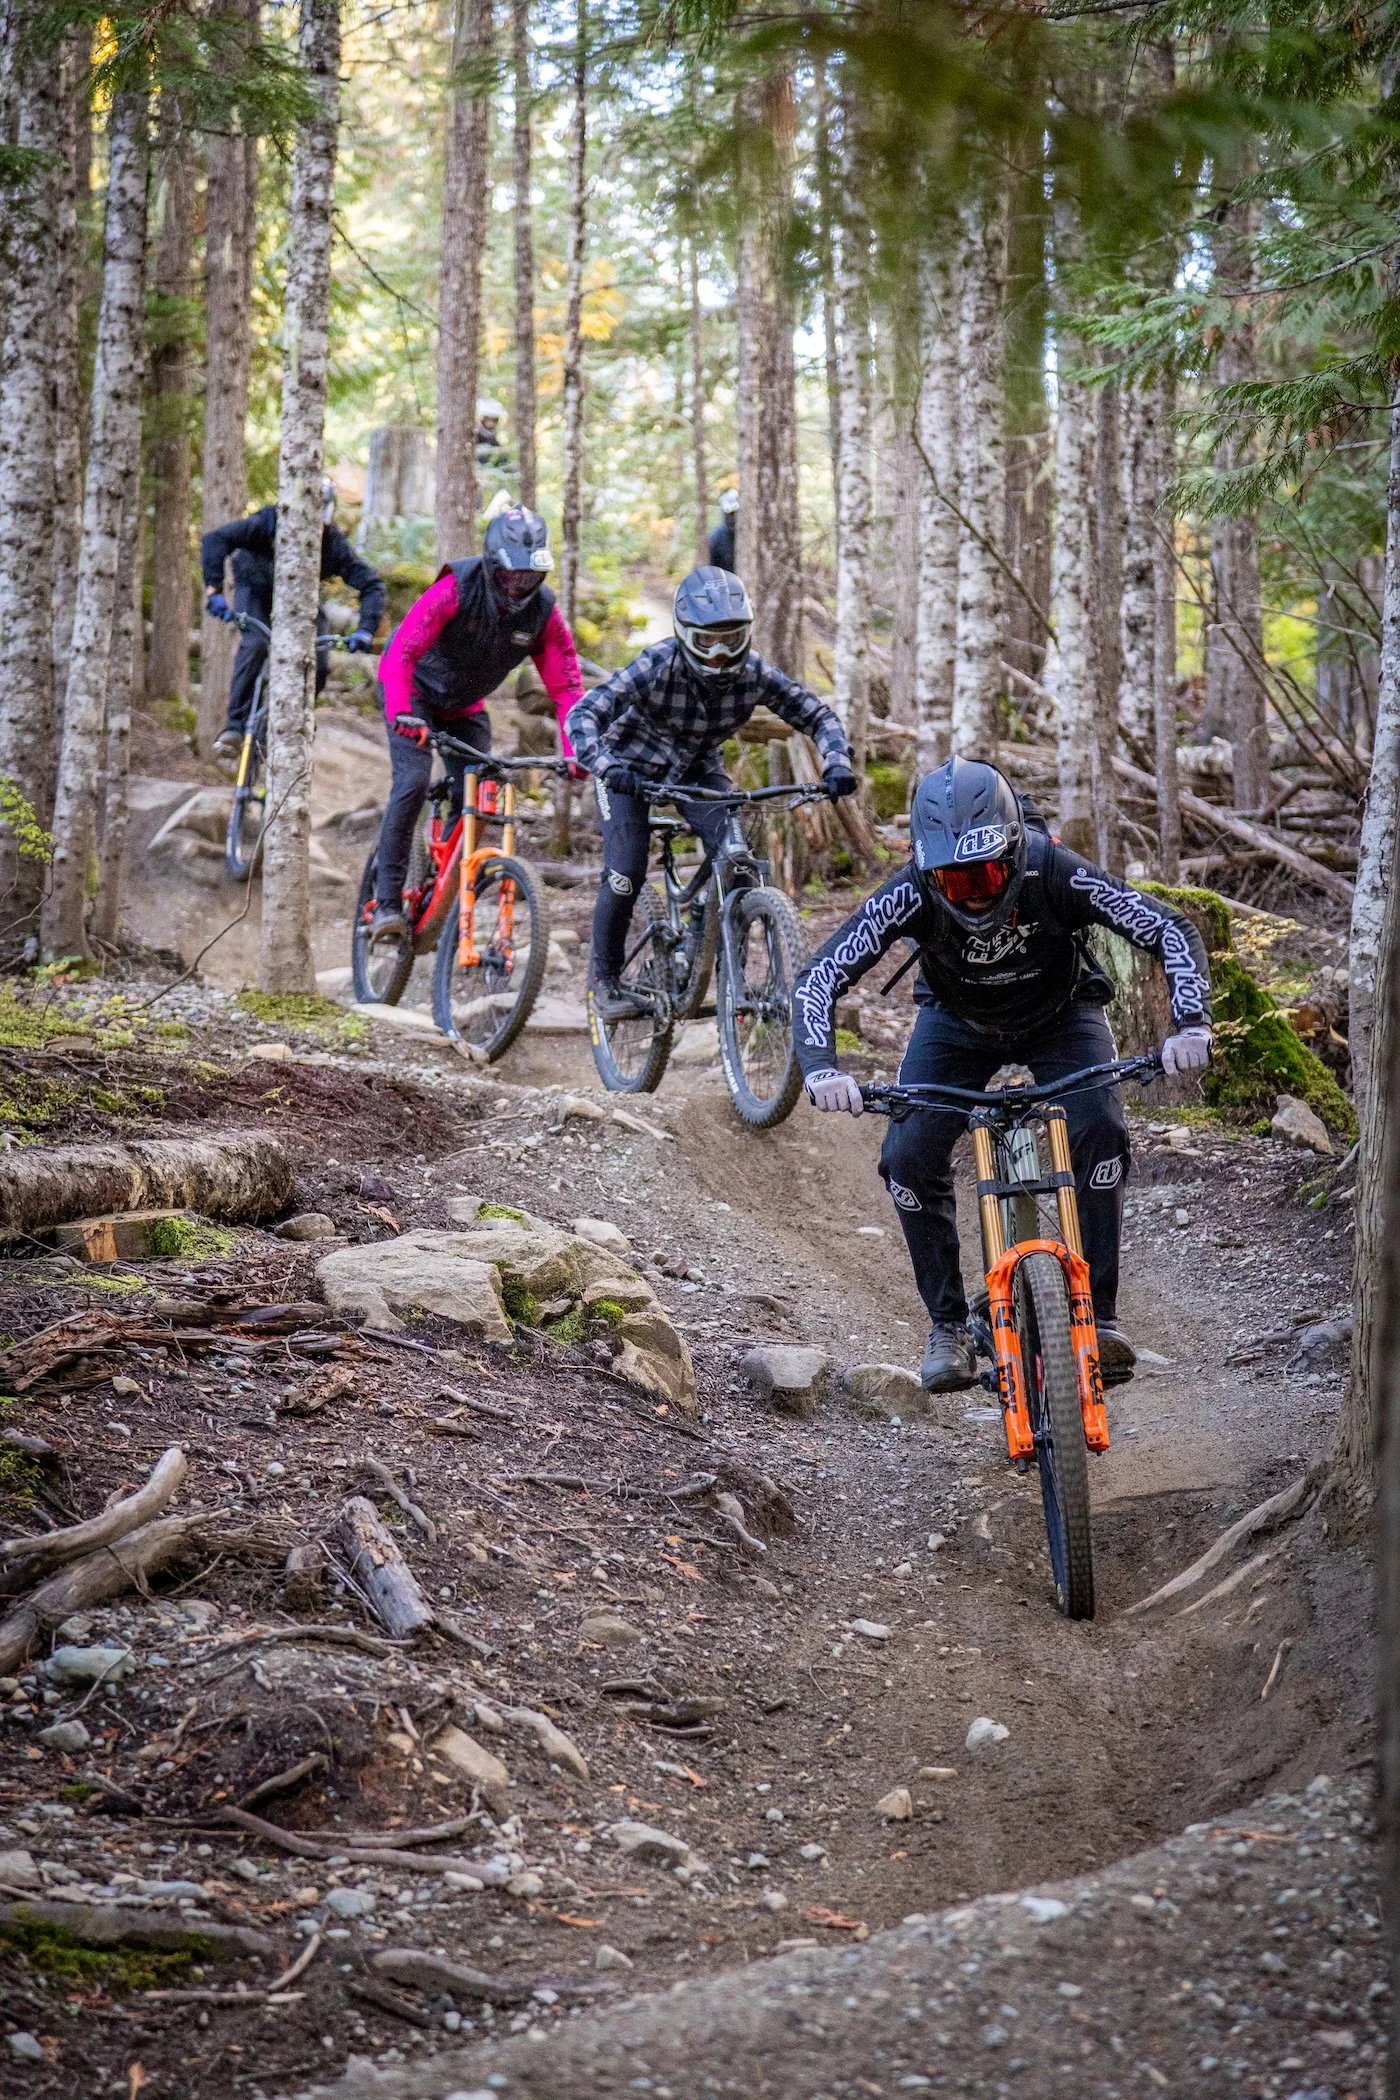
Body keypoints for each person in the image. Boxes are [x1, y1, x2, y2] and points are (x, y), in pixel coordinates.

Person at [791, 756, 1214, 1392]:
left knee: (1098, 1126)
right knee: (908, 1156)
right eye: (957, 883)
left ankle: (1099, 1315)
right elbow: (819, 977)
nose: (978, 891)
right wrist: (823, 1069)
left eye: (987, 873)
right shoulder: (910, 888)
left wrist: (1191, 1023)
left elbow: (1166, 927)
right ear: (929, 870)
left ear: (1015, 853)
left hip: (1062, 1015)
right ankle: (949, 1326)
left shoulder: (1053, 868)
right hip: (957, 1026)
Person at [566, 564, 858, 1020]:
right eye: (707, 640)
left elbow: (817, 715)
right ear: (684, 633)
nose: (720, 653)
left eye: (731, 637)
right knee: (625, 870)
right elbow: (583, 715)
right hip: (628, 769)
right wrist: (605, 764)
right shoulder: (657, 665)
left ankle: (726, 978)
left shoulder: (755, 674)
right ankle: (605, 982)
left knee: (737, 858)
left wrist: (837, 761)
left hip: (698, 769)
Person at [370, 503, 583, 938]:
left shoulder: (544, 614)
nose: (520, 586)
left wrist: (575, 749)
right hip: (414, 695)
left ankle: (439, 882)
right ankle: (388, 902)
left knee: (482, 787)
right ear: (491, 567)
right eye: (510, 575)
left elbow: (566, 689)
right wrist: (401, 712)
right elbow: (400, 654)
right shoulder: (455, 589)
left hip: (464, 708)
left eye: (530, 576)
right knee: (411, 781)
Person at [202, 477, 386, 759]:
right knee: (255, 645)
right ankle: (236, 728)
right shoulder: (267, 521)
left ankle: (293, 722)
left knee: (319, 662)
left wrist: (365, 629)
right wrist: (214, 589)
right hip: (256, 589)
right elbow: (217, 538)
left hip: (303, 599)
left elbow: (371, 584)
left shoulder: (332, 542)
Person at [475, 398, 512, 474]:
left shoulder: (494, 441)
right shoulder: (475, 437)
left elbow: (503, 462)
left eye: (494, 420)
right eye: (488, 419)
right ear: (482, 419)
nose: (491, 423)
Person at [707, 487, 738, 572]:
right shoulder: (716, 537)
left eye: (735, 514)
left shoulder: (751, 535)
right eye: (730, 515)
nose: (732, 519)